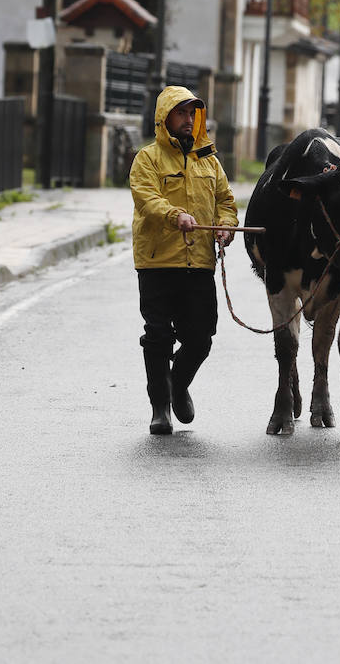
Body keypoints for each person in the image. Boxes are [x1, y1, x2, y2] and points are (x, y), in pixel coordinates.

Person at [130, 85, 238, 435]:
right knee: (158, 335)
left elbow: (226, 201)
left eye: (192, 114)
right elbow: (146, 198)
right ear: (164, 118)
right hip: (158, 262)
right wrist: (175, 215)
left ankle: (178, 384)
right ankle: (160, 407)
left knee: (201, 336)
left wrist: (225, 227)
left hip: (199, 263)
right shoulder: (147, 159)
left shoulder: (209, 161)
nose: (188, 120)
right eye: (181, 113)